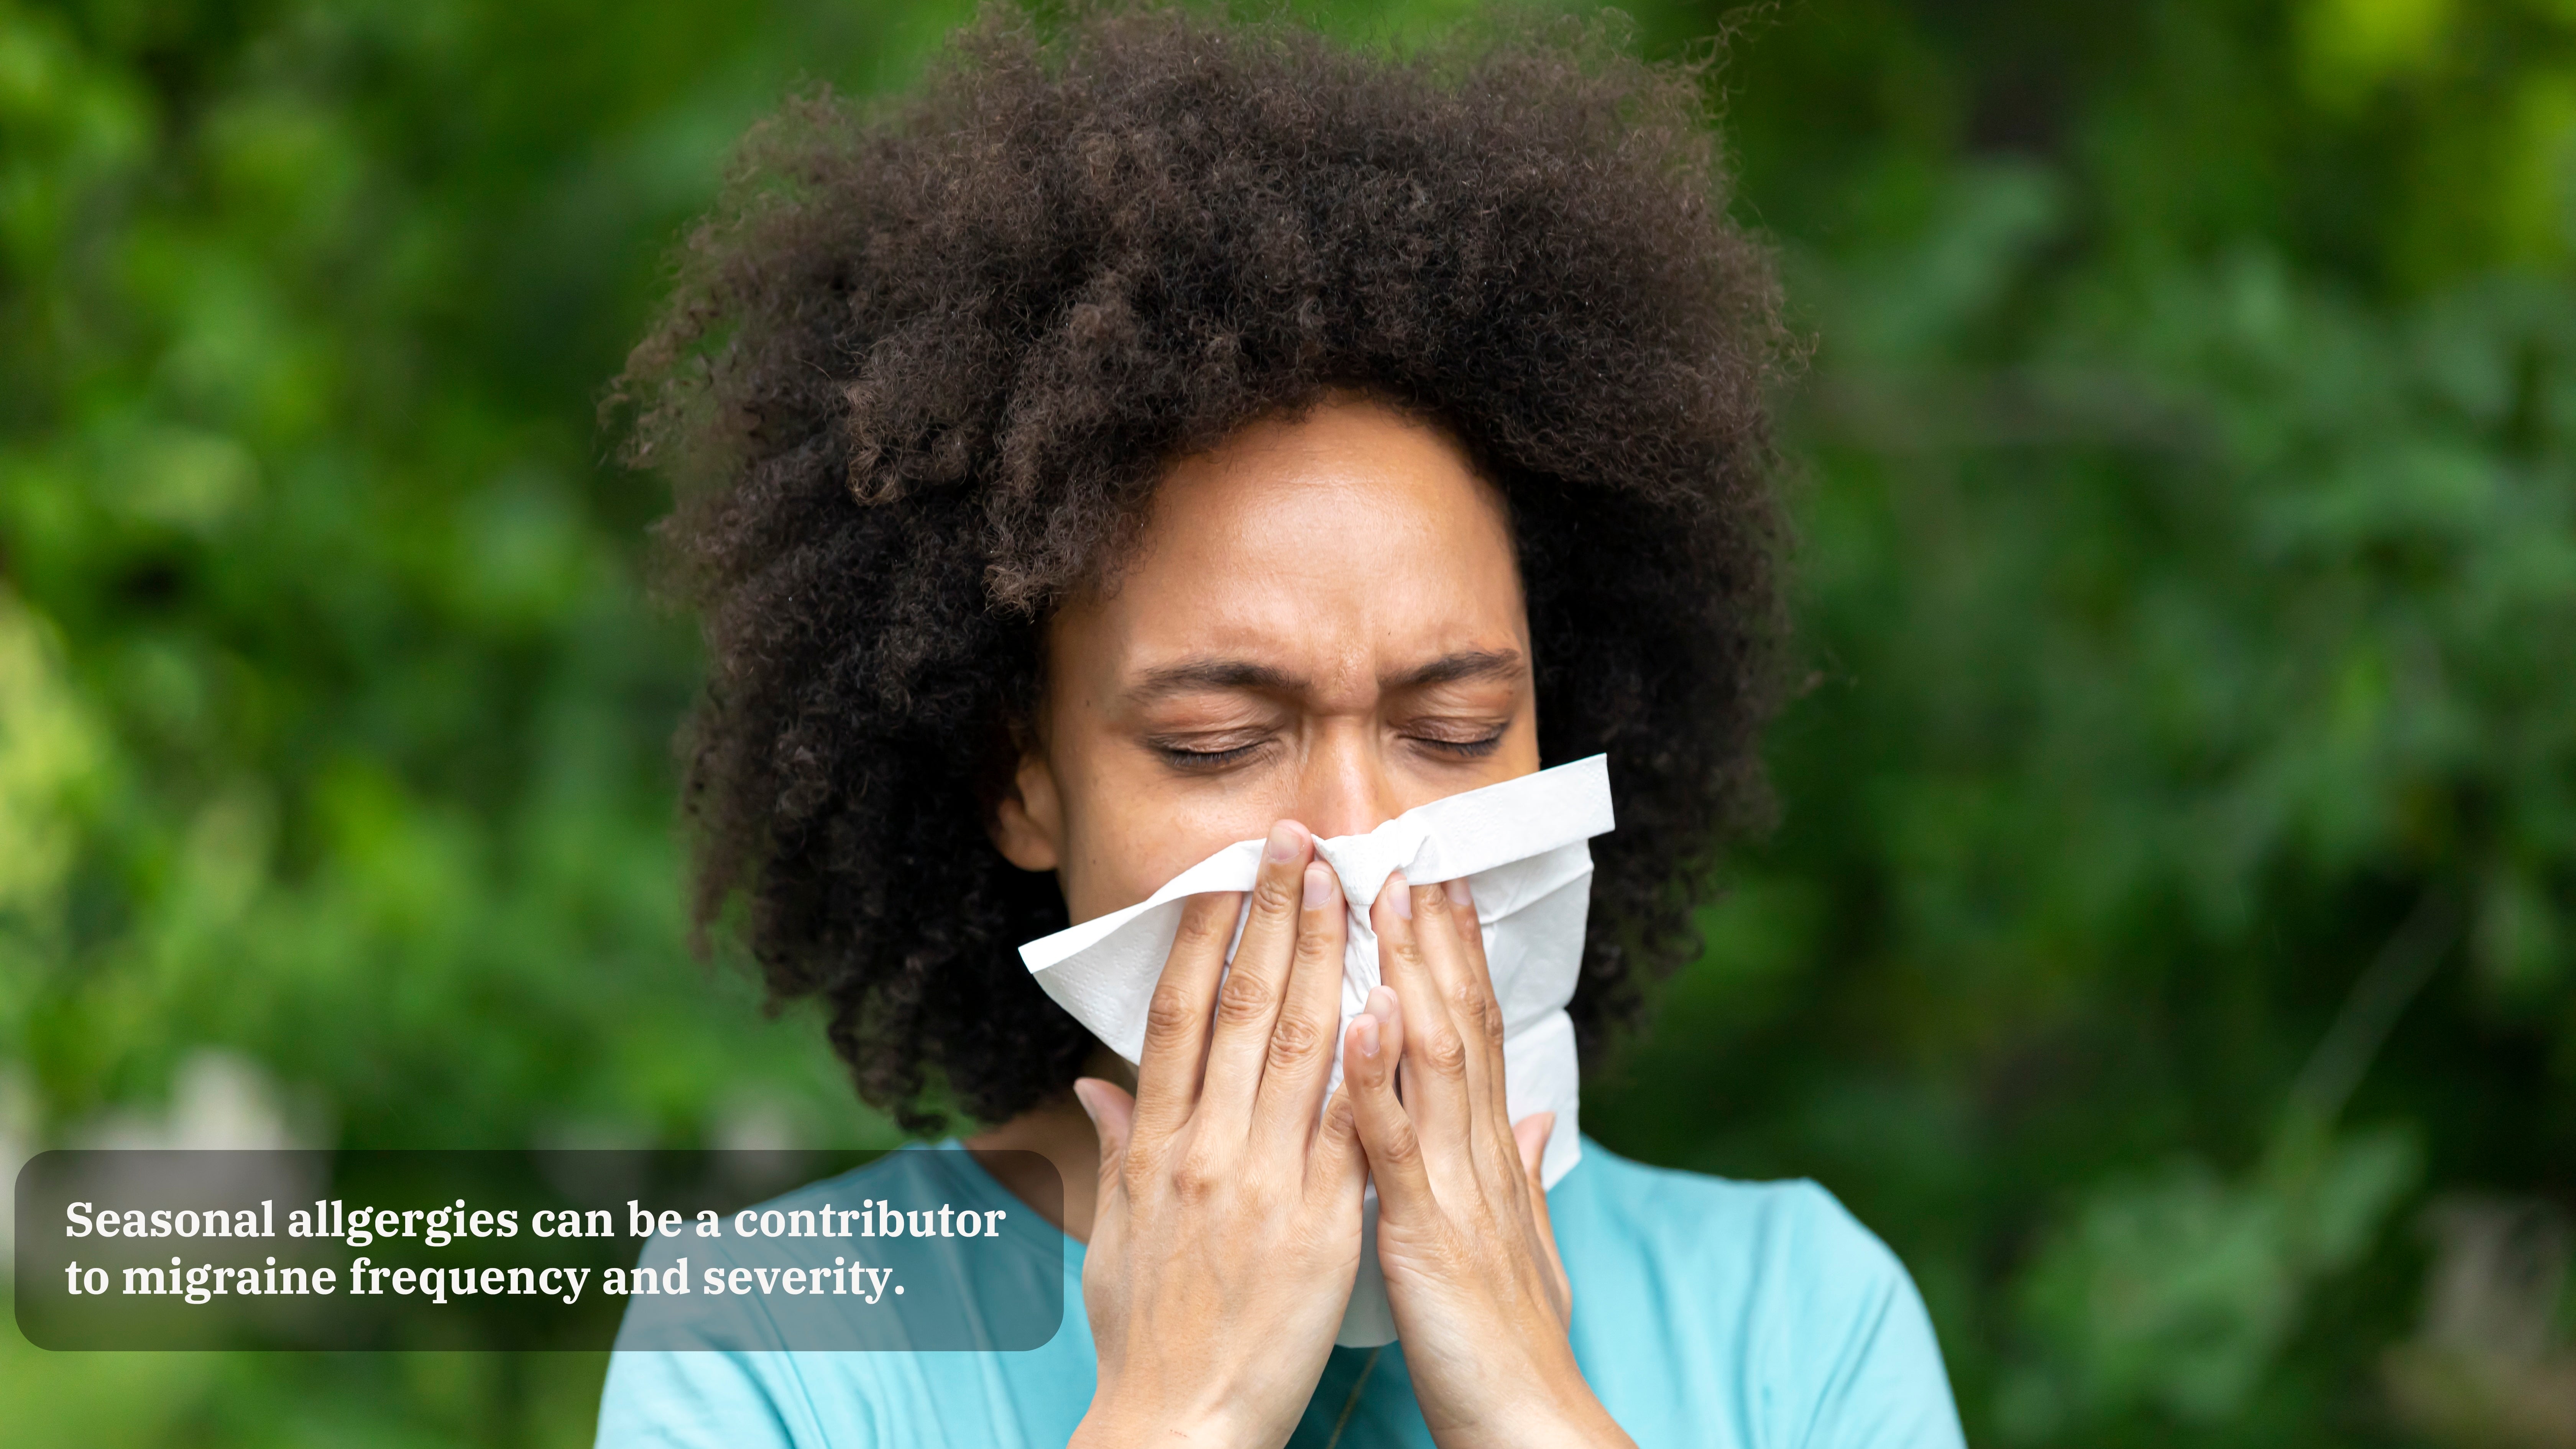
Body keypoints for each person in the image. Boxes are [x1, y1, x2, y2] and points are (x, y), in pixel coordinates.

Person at [596, 6, 1965, 1446]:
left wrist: (1523, 1392)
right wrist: (1182, 1407)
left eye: (1455, 726)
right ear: (1023, 775)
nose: (1363, 835)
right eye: (1215, 743)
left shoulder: (1798, 1317)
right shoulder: (777, 1341)